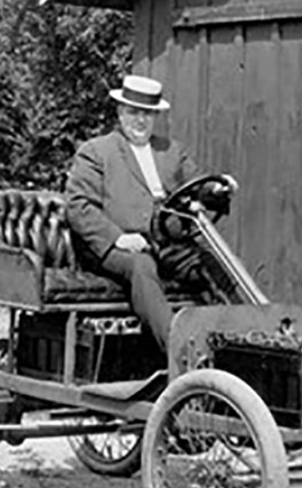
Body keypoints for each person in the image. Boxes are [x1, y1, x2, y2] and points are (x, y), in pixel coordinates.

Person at [65, 75, 227, 351]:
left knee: (212, 264)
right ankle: (179, 353)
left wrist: (217, 191)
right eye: (133, 112)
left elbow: (198, 186)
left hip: (166, 243)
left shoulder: (172, 151)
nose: (140, 121)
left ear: (155, 116)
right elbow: (79, 207)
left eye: (147, 114)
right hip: (115, 248)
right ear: (120, 112)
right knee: (141, 266)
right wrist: (118, 238)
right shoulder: (96, 152)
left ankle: (238, 344)